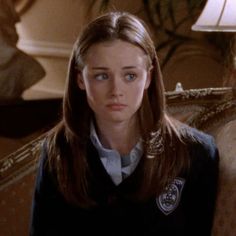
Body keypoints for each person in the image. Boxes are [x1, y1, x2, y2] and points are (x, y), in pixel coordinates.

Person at [29, 11, 219, 236]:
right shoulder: (58, 151)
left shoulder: (196, 153)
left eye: (130, 76)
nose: (116, 91)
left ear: (148, 78)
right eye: (101, 76)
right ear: (81, 79)